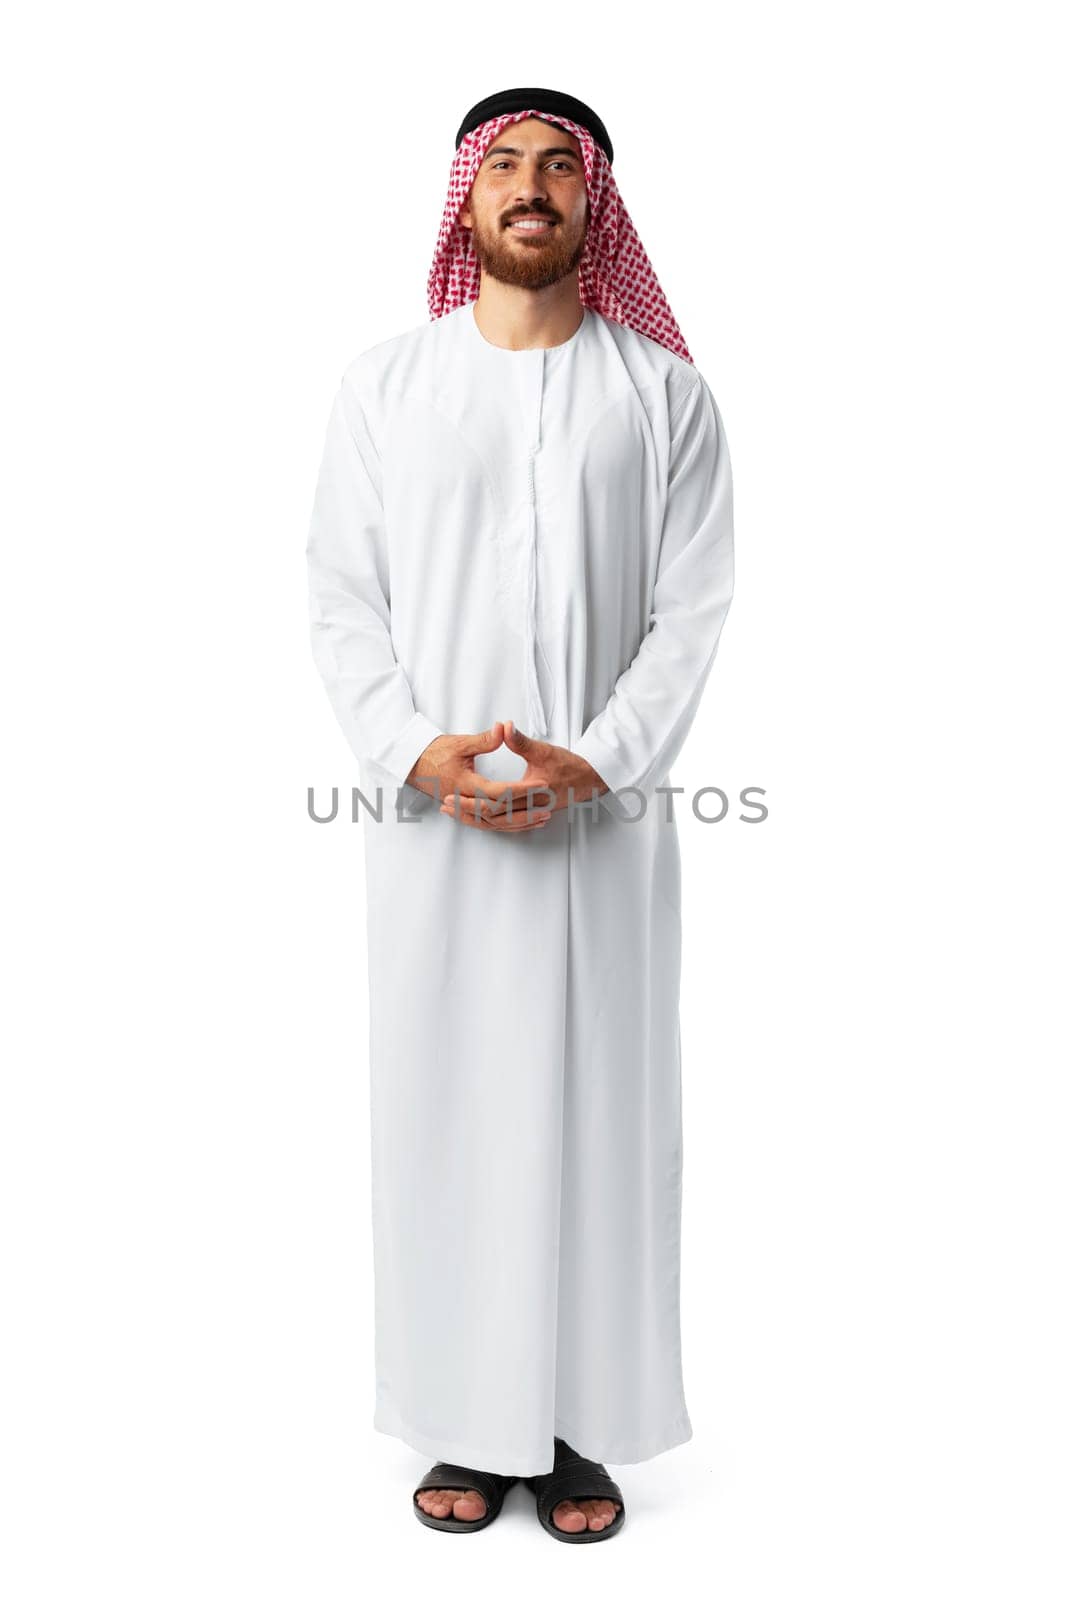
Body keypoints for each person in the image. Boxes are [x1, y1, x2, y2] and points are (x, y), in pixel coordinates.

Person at [305, 86, 735, 1542]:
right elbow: (341, 598)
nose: (533, 187)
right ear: (466, 201)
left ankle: (574, 1428)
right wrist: (415, 753)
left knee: (600, 1118)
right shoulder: (385, 388)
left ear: (595, 205)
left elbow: (694, 609)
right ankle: (463, 1421)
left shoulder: (663, 395)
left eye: (562, 166)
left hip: (601, 836)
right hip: (433, 834)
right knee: (448, 1114)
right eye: (507, 166)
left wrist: (597, 758)